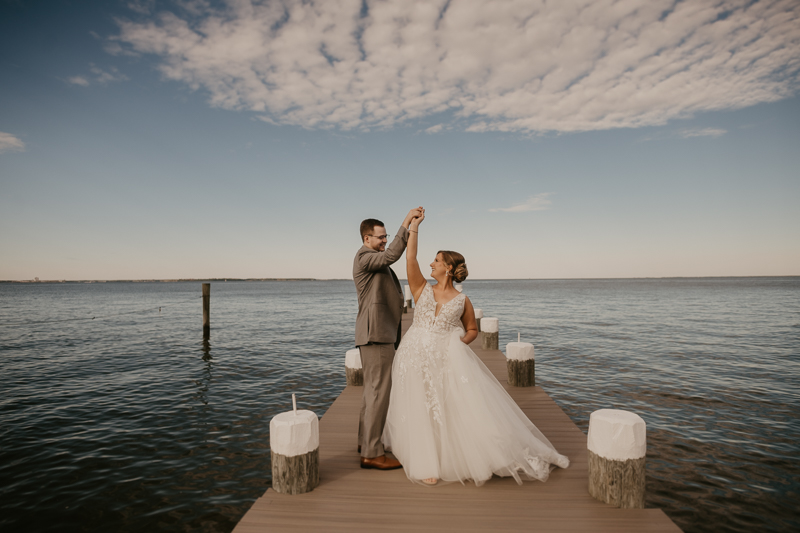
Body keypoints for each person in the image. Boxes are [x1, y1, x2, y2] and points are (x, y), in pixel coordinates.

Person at [383, 210, 569, 486]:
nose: (430, 264)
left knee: (441, 407)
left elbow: (472, 330)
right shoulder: (421, 287)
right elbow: (409, 258)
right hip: (412, 356)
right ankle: (426, 462)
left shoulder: (462, 300)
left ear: (448, 268)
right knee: (418, 405)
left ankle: (450, 457)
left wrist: (457, 344)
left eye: (436, 261)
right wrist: (414, 226)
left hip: (443, 358)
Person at [353, 208, 424, 470]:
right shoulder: (365, 257)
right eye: (380, 237)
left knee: (372, 392)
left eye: (385, 237)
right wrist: (406, 223)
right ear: (366, 239)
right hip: (376, 335)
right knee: (378, 393)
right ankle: (372, 453)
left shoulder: (371, 258)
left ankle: (366, 442)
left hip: (376, 334)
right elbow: (393, 254)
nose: (384, 241)